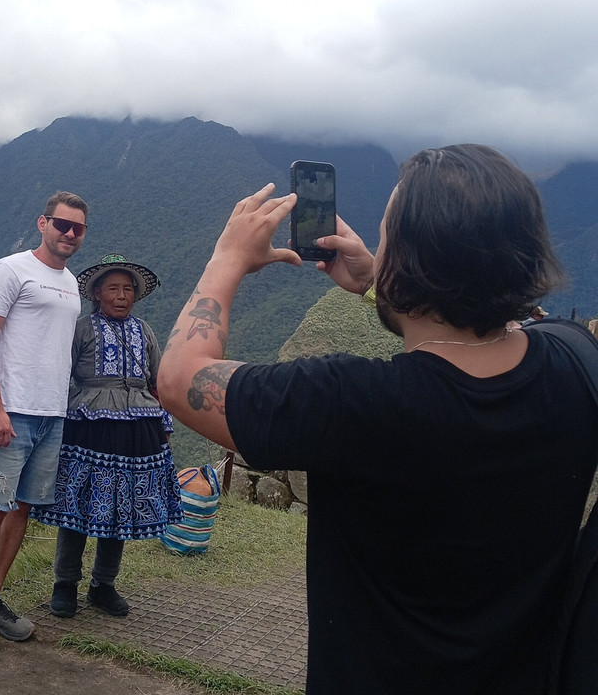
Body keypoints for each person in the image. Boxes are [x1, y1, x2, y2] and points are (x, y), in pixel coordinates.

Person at [158, 144, 598, 694]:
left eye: (386, 235)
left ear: (410, 260)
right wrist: (381, 283)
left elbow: (179, 378)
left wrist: (226, 258)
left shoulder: (353, 404)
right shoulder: (577, 365)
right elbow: (519, 330)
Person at [0, 190, 89, 663]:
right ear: (43, 223)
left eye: (78, 228)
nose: (69, 234)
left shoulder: (72, 283)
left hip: (52, 414)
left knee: (24, 508)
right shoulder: (10, 270)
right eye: (62, 224)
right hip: (11, 413)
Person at [32, 254, 183, 619]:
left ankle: (104, 584)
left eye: (127, 289)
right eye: (113, 288)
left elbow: (156, 381)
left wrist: (163, 426)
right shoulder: (82, 329)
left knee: (120, 508)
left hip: (138, 430)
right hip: (89, 427)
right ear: (97, 293)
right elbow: (59, 375)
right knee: (77, 506)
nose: (121, 295)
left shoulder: (144, 331)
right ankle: (65, 583)